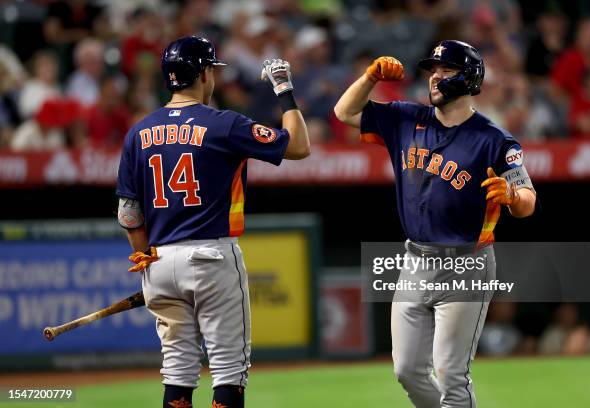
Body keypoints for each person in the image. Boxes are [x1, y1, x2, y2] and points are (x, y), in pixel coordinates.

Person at [334, 41, 536, 407]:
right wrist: (369, 78)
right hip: (415, 260)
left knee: (451, 375)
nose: (436, 77)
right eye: (433, 70)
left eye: (446, 71)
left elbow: (528, 202)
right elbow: (344, 112)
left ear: (469, 79)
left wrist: (511, 196)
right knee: (407, 370)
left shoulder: (494, 139)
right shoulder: (405, 119)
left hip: (466, 261)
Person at [115, 36, 309, 408]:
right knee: (228, 371)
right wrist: (284, 89)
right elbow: (299, 146)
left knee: (177, 372)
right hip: (211, 256)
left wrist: (144, 257)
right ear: (204, 73)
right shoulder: (223, 124)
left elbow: (129, 212)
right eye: (212, 70)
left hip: (159, 262)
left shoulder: (137, 133)